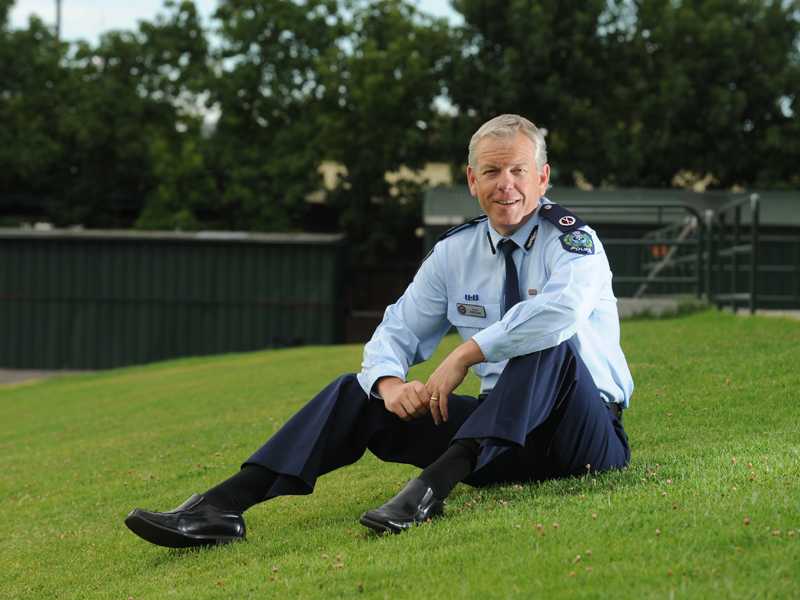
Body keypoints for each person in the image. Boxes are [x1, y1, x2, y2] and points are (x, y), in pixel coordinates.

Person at [124, 114, 633, 548]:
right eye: (492, 171)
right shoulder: (455, 252)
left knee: (549, 345)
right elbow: (397, 329)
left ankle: (428, 491)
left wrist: (465, 355)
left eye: (518, 170)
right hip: (499, 440)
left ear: (543, 178)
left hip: (582, 438)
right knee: (357, 392)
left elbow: (559, 313)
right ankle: (222, 506)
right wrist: (390, 384)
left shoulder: (574, 242)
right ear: (472, 180)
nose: (506, 184)